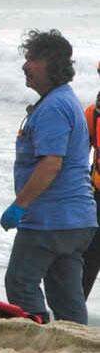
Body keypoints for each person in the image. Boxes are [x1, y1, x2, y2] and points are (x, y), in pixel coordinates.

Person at [3, 30, 97, 324]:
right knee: (67, 297)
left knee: (20, 282)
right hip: (78, 220)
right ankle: (76, 348)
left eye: (32, 59)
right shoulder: (65, 100)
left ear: (51, 64)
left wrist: (20, 205)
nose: (25, 65)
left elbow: (50, 164)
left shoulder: (55, 107)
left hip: (51, 219)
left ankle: (38, 337)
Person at [82, 61, 100, 298]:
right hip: (95, 197)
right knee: (88, 260)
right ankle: (72, 318)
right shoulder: (94, 113)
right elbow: (74, 158)